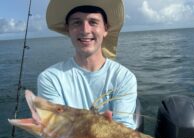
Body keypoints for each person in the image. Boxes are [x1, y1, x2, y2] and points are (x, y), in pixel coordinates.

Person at [37, 0, 137, 129]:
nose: (85, 30)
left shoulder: (124, 78)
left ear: (105, 29)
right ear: (68, 30)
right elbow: (56, 130)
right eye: (77, 22)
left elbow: (125, 131)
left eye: (93, 22)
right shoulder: (50, 78)